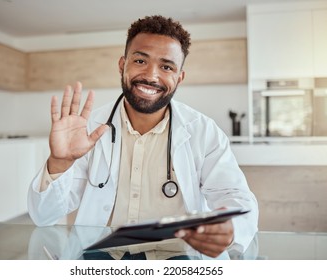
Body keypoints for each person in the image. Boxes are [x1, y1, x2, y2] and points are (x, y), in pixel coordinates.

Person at [28, 15, 258, 260]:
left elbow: (235, 195)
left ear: (179, 77)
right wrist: (59, 163)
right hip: (101, 256)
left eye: (167, 67)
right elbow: (43, 216)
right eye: (140, 60)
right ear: (122, 65)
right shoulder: (89, 129)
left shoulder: (203, 131)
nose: (151, 76)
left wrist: (230, 227)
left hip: (176, 259)